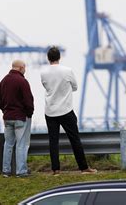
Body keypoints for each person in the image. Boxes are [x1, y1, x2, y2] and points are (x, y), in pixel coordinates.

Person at [40, 46, 97, 176]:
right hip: (66, 109)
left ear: (48, 58)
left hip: (50, 110)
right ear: (59, 57)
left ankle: (56, 170)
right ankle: (83, 168)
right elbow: (75, 87)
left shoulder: (43, 72)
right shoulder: (67, 71)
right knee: (75, 139)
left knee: (53, 141)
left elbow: (45, 86)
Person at [0, 60, 34, 178]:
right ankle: (21, 171)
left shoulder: (3, 81)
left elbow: (0, 100)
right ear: (21, 68)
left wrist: (5, 111)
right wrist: (29, 113)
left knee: (8, 144)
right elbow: (28, 100)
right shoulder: (22, 81)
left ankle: (6, 171)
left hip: (8, 117)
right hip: (20, 117)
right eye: (24, 68)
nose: (25, 70)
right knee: (21, 144)